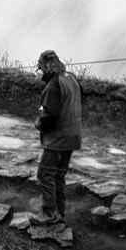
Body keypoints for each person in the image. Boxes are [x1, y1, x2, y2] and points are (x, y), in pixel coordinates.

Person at [34, 51, 83, 224]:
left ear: (47, 65)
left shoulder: (53, 86)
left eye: (40, 67)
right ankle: (59, 212)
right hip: (72, 137)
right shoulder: (70, 78)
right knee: (58, 176)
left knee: (44, 174)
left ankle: (49, 213)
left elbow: (49, 116)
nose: (39, 71)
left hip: (57, 139)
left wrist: (39, 122)